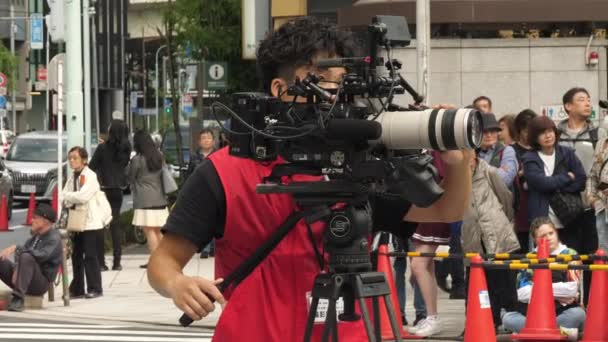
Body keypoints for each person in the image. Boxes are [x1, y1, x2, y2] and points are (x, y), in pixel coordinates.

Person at [147, 17, 474, 341]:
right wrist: (178, 284)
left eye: (342, 83)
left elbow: (444, 211)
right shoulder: (224, 171)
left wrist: (458, 162)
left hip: (349, 333)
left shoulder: (360, 163)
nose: (335, 94)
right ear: (281, 89)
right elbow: (163, 262)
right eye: (322, 80)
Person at [558, 87, 605, 305]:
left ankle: (595, 306)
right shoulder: (555, 133)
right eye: (581, 100)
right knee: (568, 257)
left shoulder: (597, 134)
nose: (587, 103)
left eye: (588, 99)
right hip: (564, 207)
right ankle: (571, 306)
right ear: (568, 106)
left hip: (591, 206)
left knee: (594, 256)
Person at [461, 156, 520, 332]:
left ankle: (508, 320)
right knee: (475, 282)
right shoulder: (458, 179)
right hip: (472, 235)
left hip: (497, 233)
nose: (467, 162)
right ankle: (476, 322)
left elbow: (506, 199)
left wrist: (501, 220)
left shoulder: (489, 172)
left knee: (502, 281)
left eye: (469, 157)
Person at [502, 217, 586, 334]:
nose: (548, 238)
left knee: (578, 315)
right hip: (532, 314)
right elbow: (522, 293)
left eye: (551, 233)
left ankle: (533, 333)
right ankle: (556, 333)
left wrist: (536, 288)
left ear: (556, 233)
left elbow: (571, 290)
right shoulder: (529, 258)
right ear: (535, 240)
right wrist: (557, 290)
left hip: (562, 312)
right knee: (508, 318)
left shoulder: (571, 254)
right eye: (543, 236)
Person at [522, 116, 587, 250]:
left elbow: (581, 180)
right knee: (543, 265)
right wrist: (567, 178)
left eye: (550, 131)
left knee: (571, 263)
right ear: (535, 138)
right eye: (542, 133)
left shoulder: (567, 153)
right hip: (543, 222)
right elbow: (541, 183)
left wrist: (554, 186)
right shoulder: (529, 158)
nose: (548, 135)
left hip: (569, 218)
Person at [0, 203, 61, 311]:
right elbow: (21, 256)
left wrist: (17, 248)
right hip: (23, 279)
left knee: (27, 257)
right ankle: (18, 291)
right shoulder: (35, 237)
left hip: (40, 283)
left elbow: (43, 255)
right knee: (2, 260)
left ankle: (18, 299)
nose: (31, 221)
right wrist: (16, 268)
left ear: (45, 221)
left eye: (35, 218)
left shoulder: (54, 238)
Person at [89, 120, 131, 271]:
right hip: (118, 189)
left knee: (100, 224)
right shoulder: (126, 148)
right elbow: (123, 165)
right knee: (115, 224)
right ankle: (117, 262)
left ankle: (101, 263)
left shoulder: (102, 148)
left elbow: (92, 167)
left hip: (103, 188)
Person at [63, 147, 105, 299]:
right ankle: (78, 288)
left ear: (84, 160)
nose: (72, 161)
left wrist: (67, 196)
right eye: (70, 158)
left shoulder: (90, 175)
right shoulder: (72, 177)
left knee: (90, 256)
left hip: (90, 222)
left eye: (75, 158)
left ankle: (95, 288)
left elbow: (82, 196)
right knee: (76, 256)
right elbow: (65, 198)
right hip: (76, 221)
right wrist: (67, 196)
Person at [128, 131, 168, 269]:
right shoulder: (159, 156)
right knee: (157, 231)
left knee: (149, 231)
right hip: (160, 198)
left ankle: (156, 261)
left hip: (144, 199)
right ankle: (164, 259)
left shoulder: (137, 159)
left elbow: (131, 177)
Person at [185, 128, 217, 259]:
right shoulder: (194, 157)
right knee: (202, 222)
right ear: (199, 141)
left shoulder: (218, 155)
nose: (206, 140)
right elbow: (189, 175)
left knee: (214, 221)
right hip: (199, 193)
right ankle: (205, 248)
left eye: (208, 138)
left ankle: (213, 248)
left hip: (215, 193)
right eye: (203, 138)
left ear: (213, 141)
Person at [512, 109, 538, 252]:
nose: (529, 134)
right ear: (519, 130)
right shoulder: (511, 150)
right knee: (520, 245)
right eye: (526, 130)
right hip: (520, 202)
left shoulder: (540, 149)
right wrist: (523, 172)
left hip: (538, 200)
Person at [477, 112, 518, 188]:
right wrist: (496, 170)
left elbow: (505, 179)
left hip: (498, 199)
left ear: (497, 132)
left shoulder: (507, 150)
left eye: (492, 131)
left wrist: (478, 173)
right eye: (485, 131)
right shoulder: (472, 152)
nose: (489, 135)